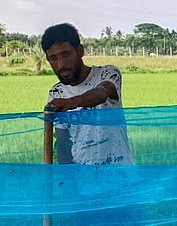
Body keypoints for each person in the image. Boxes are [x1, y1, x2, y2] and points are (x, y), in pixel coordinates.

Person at [41, 22, 133, 164]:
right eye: (53, 58)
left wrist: (71, 102)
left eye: (66, 55)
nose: (61, 65)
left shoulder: (107, 73)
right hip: (84, 177)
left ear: (80, 51)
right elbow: (63, 144)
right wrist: (67, 180)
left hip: (120, 174)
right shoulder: (56, 93)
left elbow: (103, 92)